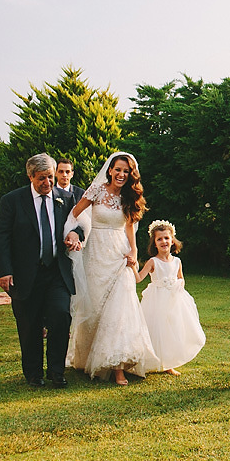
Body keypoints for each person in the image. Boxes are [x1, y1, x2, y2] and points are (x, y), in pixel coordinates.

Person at [65, 151, 159, 385]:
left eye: (126, 171)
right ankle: (88, 357)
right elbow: (75, 214)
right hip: (96, 253)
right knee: (96, 307)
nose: (121, 174)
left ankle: (119, 365)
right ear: (109, 170)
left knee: (122, 307)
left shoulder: (129, 196)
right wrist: (74, 236)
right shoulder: (96, 191)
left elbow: (129, 228)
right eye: (118, 169)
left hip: (119, 254)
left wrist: (134, 252)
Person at [0, 153, 84, 388]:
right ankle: (34, 373)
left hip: (56, 272)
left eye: (51, 177)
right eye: (42, 178)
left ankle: (57, 371)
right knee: (29, 324)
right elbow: (1, 238)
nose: (47, 183)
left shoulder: (66, 198)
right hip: (25, 274)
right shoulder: (12, 201)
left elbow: (80, 225)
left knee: (60, 316)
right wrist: (4, 271)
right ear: (30, 176)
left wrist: (76, 234)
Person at [134, 219, 206, 376]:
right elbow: (139, 278)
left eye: (166, 238)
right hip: (157, 300)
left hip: (174, 300)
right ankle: (151, 360)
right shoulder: (153, 262)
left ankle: (168, 363)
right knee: (157, 330)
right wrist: (132, 266)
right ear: (154, 243)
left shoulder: (177, 261)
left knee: (171, 330)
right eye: (159, 239)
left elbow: (181, 278)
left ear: (172, 240)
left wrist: (178, 286)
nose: (163, 242)